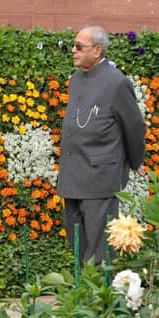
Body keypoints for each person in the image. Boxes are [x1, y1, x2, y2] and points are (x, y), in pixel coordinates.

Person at [57, 25, 146, 266]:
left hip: (100, 175)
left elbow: (134, 126)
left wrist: (135, 160)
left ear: (97, 50)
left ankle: (99, 297)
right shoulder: (76, 79)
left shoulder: (117, 82)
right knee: (77, 242)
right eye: (73, 46)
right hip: (72, 173)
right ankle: (80, 291)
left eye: (79, 47)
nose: (73, 51)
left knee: (99, 249)